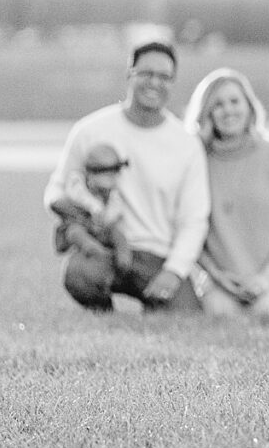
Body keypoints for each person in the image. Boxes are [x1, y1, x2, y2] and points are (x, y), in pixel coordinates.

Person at [44, 41, 210, 312]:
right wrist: (87, 216)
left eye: (164, 77)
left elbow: (194, 220)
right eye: (146, 73)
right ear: (130, 74)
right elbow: (56, 191)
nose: (154, 82)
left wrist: (175, 271)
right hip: (104, 249)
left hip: (157, 256)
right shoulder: (90, 130)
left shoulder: (186, 145)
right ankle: (103, 315)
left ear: (172, 83)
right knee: (81, 275)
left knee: (186, 314)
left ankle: (155, 305)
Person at [183, 68, 269, 319]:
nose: (228, 110)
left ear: (249, 107)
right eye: (217, 104)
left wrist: (266, 279)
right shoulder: (196, 163)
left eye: (235, 101)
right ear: (206, 113)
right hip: (221, 279)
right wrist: (217, 276)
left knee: (268, 311)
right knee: (223, 316)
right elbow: (191, 231)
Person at [48, 142, 133, 279]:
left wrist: (106, 217)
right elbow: (75, 194)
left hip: (101, 227)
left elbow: (117, 209)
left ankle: (123, 261)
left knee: (118, 234)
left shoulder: (113, 193)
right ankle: (95, 251)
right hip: (81, 225)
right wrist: (94, 206)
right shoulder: (78, 182)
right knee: (75, 232)